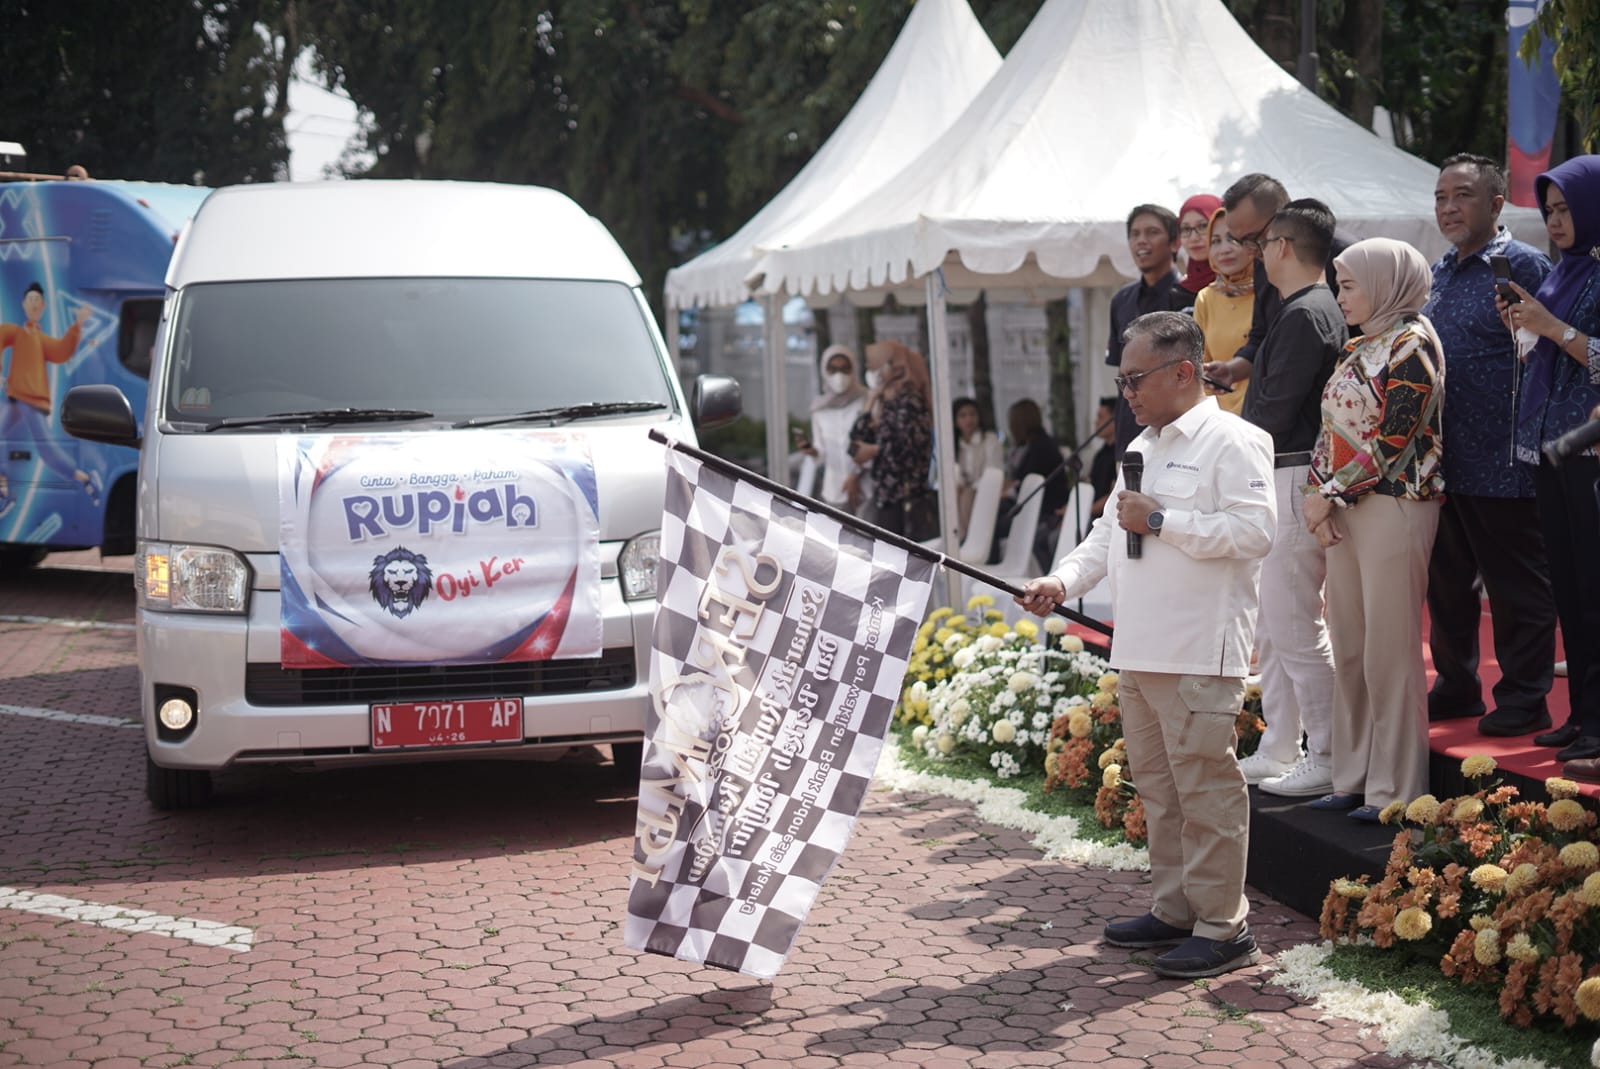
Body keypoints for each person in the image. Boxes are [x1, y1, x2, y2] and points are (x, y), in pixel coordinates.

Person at [1017, 311, 1275, 979]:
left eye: (1135, 378)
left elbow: (1255, 534)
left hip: (1196, 649)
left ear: (1183, 371)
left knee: (1206, 792)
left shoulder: (1234, 440)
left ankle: (1224, 924)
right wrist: (1060, 579)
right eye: (1122, 378)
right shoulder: (1145, 446)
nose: (1125, 392)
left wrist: (1163, 518)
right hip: (1138, 648)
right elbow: (1107, 537)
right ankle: (1176, 908)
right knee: (1159, 791)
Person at [1205, 200, 1346, 799]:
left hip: (1292, 473)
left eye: (1262, 243)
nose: (1255, 253)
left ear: (1283, 247)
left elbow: (1272, 410)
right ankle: (1282, 745)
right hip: (1282, 472)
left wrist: (1225, 449)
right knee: (1275, 624)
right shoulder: (1300, 310)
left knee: (1293, 624)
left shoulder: (1307, 312)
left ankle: (1331, 752)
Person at [1302, 238, 1445, 823]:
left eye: (1350, 285)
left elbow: (1395, 439)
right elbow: (1330, 430)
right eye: (1339, 284)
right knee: (1353, 646)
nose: (1341, 296)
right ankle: (1353, 776)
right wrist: (1318, 495)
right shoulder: (1359, 346)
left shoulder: (1414, 344)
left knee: (1389, 650)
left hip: (1396, 503)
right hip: (1345, 508)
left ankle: (1397, 789)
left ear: (1386, 283)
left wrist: (1329, 493)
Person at [1420, 154, 1557, 736]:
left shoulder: (1523, 265)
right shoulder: (1438, 271)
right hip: (1441, 460)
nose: (1449, 207)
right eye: (1441, 196)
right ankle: (1456, 687)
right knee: (1446, 587)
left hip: (1504, 460)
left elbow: (1554, 354)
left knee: (1516, 589)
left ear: (1496, 204)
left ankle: (1526, 697)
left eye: (1463, 196)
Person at [1495, 155, 1600, 775]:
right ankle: (1583, 714)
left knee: (1594, 591)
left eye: (1566, 209)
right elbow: (1548, 356)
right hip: (1552, 448)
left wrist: (1552, 326)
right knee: (1568, 588)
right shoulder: (1567, 271)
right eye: (1550, 210)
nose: (1556, 221)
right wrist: (1527, 326)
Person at [0, 282, 98, 519]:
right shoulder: (17, 332)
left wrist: (78, 325)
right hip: (16, 398)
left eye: (37, 301)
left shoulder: (40, 339)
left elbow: (61, 351)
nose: (33, 304)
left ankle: (83, 477)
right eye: (30, 300)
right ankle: (4, 489)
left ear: (42, 307)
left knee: (47, 450)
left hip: (32, 400)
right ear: (24, 305)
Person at [1107, 204, 1184, 460]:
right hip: (1130, 437)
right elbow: (1121, 373)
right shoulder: (1121, 300)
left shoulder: (1191, 296)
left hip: (1177, 435)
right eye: (1135, 234)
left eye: (1152, 232)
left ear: (1174, 243)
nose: (1142, 240)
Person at [845, 339, 934, 538]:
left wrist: (874, 450)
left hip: (905, 499)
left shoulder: (910, 401)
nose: (875, 372)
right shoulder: (886, 403)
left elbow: (907, 448)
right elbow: (854, 445)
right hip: (887, 498)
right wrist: (871, 401)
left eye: (879, 366)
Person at [991, 398, 1070, 572]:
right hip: (1035, 506)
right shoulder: (1037, 444)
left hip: (1044, 511)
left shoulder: (1040, 448)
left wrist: (1008, 491)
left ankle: (990, 565)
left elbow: (1026, 485)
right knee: (996, 513)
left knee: (993, 524)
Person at [1192, 207, 1254, 416]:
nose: (1224, 249)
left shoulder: (1271, 293)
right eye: (1216, 241)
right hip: (1220, 419)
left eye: (1232, 239)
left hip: (1261, 412)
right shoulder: (1206, 298)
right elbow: (1201, 368)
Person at [800, 344, 869, 514]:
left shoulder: (866, 400)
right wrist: (811, 451)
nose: (840, 376)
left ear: (853, 370)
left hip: (865, 488)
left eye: (845, 369)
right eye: (834, 369)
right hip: (834, 491)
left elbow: (870, 441)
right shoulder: (819, 409)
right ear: (825, 371)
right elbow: (822, 453)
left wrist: (855, 474)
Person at [953, 396, 1002, 540]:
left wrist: (971, 488)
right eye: (963, 415)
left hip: (985, 492)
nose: (968, 419)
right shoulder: (953, 444)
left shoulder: (989, 439)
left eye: (972, 414)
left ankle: (969, 540)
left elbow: (993, 471)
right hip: (962, 493)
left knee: (967, 496)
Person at [1175, 193, 1224, 304]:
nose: (1193, 238)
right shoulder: (1177, 294)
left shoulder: (1242, 285)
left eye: (1203, 226)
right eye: (1186, 228)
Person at [1087, 396, 1118, 518]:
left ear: (1115, 420)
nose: (1096, 422)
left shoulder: (1121, 455)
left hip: (1104, 518)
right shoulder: (1101, 453)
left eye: (1100, 417)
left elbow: (1114, 494)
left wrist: (1086, 512)